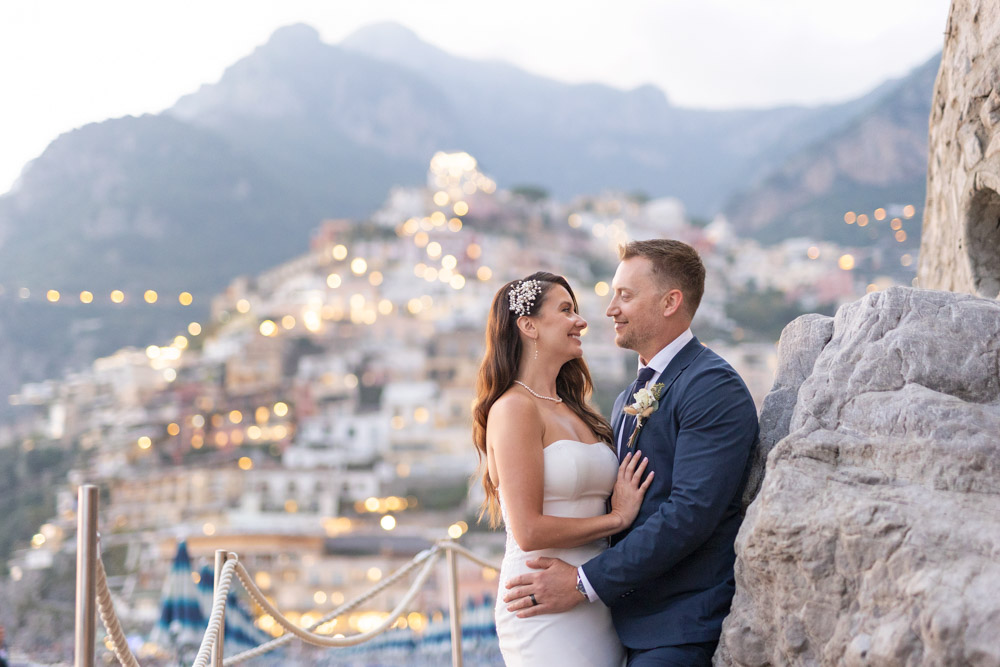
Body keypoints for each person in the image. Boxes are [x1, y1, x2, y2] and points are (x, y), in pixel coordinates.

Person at [503, 240, 760, 666]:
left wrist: (583, 582)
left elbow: (690, 512)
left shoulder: (711, 385)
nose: (610, 309)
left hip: (679, 625)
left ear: (670, 302)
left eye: (625, 295)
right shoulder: (630, 394)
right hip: (620, 623)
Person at [474, 271, 654, 667]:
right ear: (529, 325)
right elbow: (529, 530)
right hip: (540, 601)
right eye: (566, 310)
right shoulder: (514, 408)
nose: (582, 321)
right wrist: (618, 519)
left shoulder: (576, 409)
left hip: (593, 597)